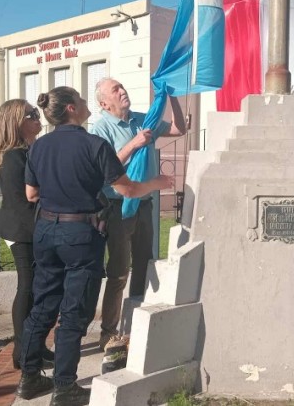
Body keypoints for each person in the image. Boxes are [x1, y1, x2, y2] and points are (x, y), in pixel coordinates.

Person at [16, 86, 173, 405]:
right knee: (74, 310)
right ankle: (64, 387)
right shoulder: (94, 144)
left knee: (44, 305)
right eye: (84, 101)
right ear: (72, 108)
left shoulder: (39, 147)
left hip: (46, 230)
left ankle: (28, 378)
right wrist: (156, 183)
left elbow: (31, 194)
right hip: (80, 234)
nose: (89, 105)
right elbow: (127, 189)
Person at [89, 77, 187, 351]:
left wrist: (172, 96)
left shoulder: (142, 119)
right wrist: (134, 144)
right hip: (118, 207)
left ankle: (137, 327)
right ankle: (108, 333)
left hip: (144, 204)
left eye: (123, 86)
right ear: (104, 103)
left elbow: (180, 128)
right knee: (119, 270)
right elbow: (103, 169)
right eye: (115, 89)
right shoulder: (101, 129)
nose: (123, 90)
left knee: (145, 265)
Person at [0, 99, 53, 370]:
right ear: (16, 122)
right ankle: (22, 351)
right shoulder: (15, 156)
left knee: (35, 287)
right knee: (28, 286)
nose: (38, 118)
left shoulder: (26, 151)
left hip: (27, 226)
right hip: (22, 229)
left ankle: (34, 345)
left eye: (37, 113)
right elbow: (22, 201)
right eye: (31, 114)